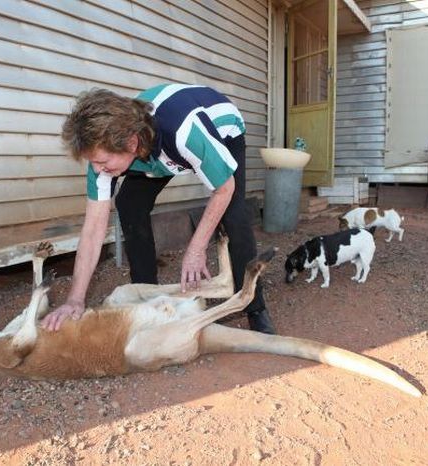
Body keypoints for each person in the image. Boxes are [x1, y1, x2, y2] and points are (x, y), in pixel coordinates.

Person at [41, 84, 276, 334]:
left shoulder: (184, 133)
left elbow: (224, 189)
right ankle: (147, 298)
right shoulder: (105, 156)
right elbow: (92, 230)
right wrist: (74, 300)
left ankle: (255, 306)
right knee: (129, 203)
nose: (98, 170)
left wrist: (196, 249)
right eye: (93, 163)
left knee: (233, 213)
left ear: (131, 143)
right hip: (155, 151)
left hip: (221, 129)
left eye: (101, 162)